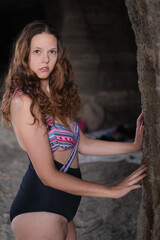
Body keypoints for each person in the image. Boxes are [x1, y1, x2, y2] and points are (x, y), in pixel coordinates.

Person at [0, 21, 147, 240]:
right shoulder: (24, 101)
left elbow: (83, 143)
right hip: (40, 207)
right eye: (37, 51)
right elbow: (48, 176)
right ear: (25, 55)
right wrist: (110, 190)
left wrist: (133, 145)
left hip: (64, 207)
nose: (46, 60)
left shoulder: (55, 97)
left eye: (52, 51)